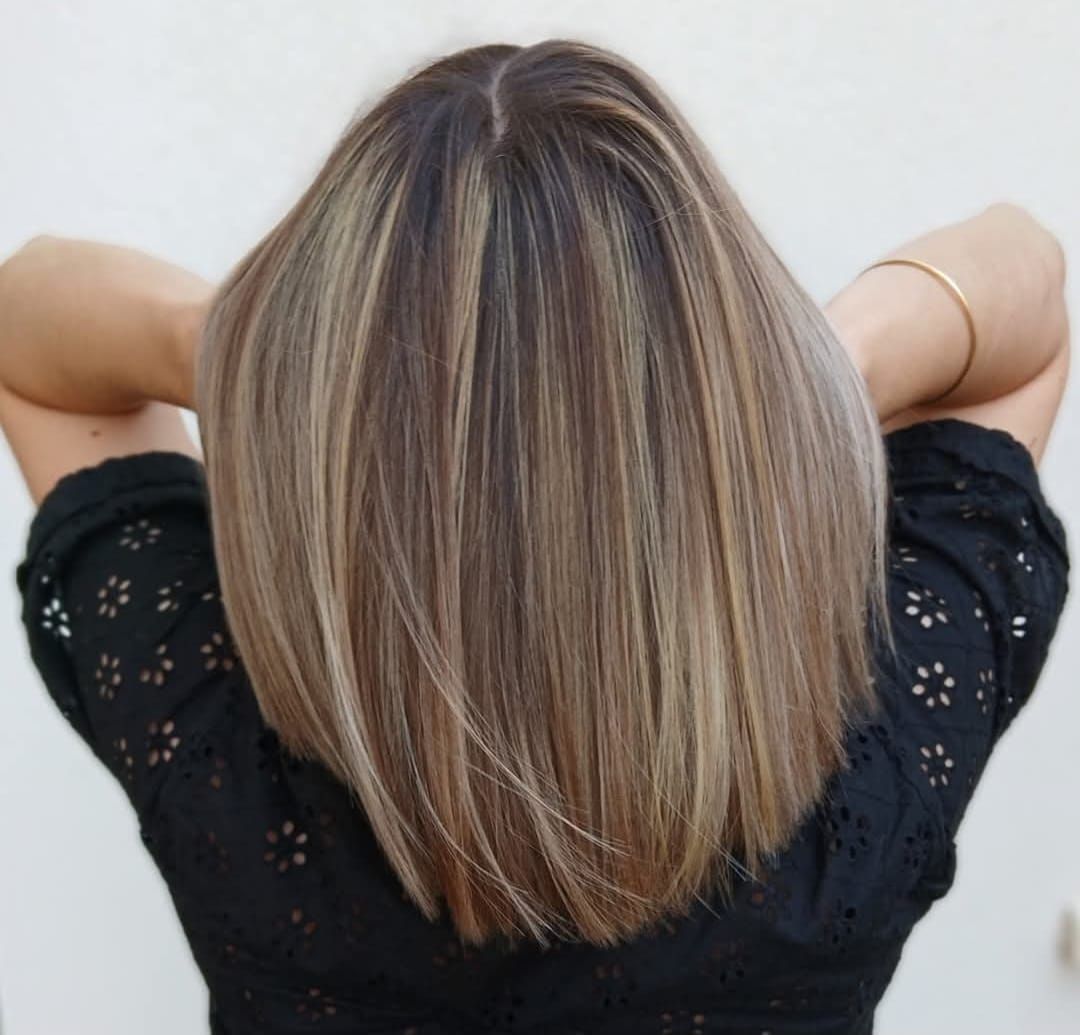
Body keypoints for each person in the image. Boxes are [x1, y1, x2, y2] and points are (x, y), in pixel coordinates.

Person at [0, 37, 1069, 1035]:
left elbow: (30, 335)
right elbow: (1023, 301)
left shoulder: (227, 783)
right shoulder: (862, 801)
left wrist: (272, 371)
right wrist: (795, 388)